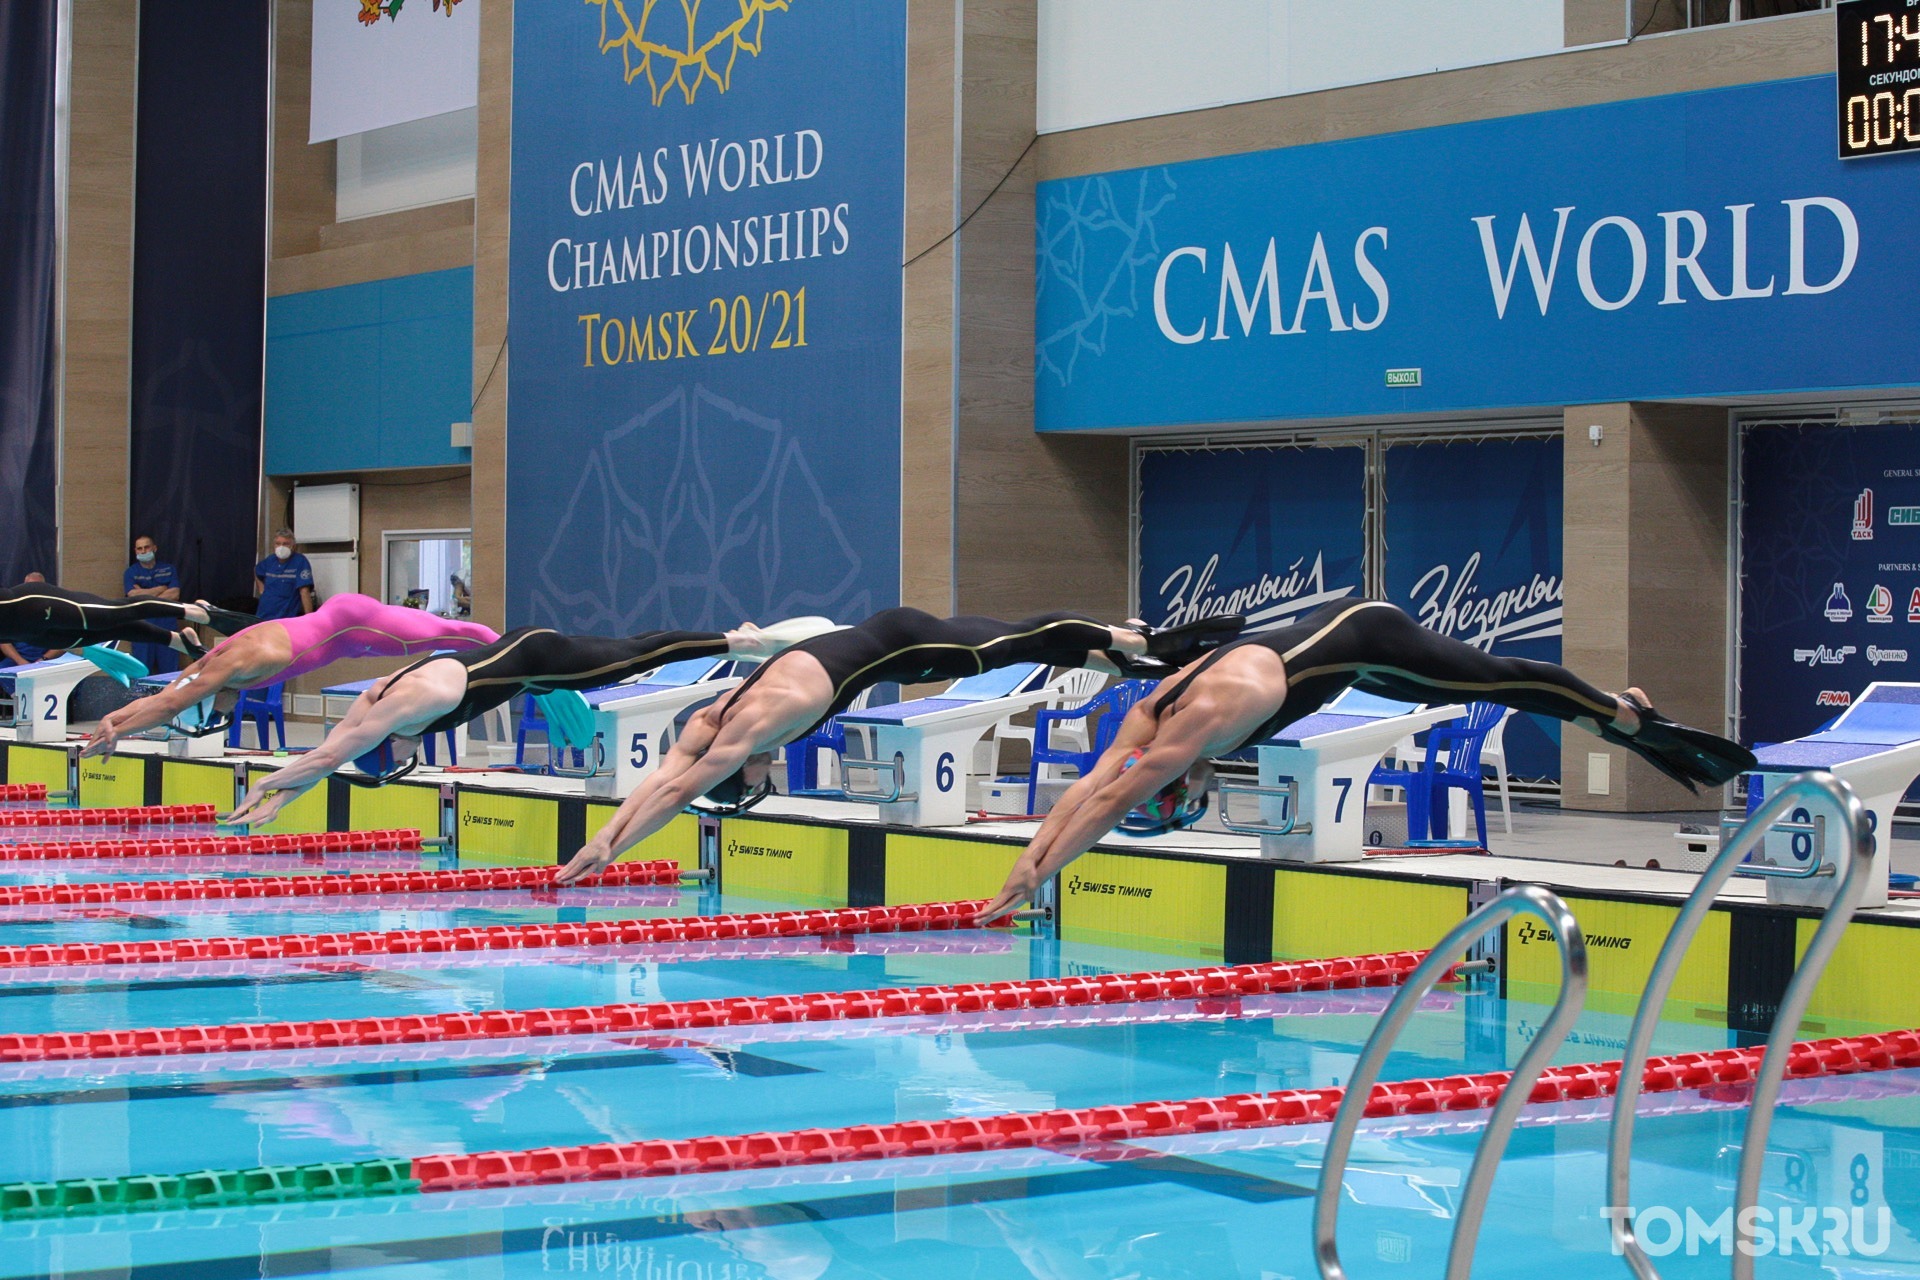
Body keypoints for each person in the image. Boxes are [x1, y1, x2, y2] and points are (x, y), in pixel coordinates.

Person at [973, 599, 1758, 921]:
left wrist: (1038, 875)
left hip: (1369, 638)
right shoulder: (1146, 714)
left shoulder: (1191, 727)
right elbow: (1088, 788)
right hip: (1334, 652)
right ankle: (1619, 710)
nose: (1183, 799)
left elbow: (1108, 803)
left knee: (1514, 680)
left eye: (1176, 805)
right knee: (1514, 681)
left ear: (1176, 780)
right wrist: (1030, 855)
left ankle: (1628, 715)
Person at [553, 607, 1245, 885]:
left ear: (742, 768)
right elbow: (664, 777)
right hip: (870, 646)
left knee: (1027, 641)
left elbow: (676, 789)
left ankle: (1143, 642)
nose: (767, 767)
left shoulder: (745, 731)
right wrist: (607, 836)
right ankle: (1140, 657)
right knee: (1030, 644)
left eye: (751, 772)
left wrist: (611, 847)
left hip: (902, 646)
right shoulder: (704, 724)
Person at [221, 616, 844, 827]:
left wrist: (270, 784)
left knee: (644, 650)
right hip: (529, 669)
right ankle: (737, 641)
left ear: (392, 745)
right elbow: (331, 754)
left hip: (540, 659)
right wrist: (283, 797)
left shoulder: (402, 708)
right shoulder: (373, 713)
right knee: (640, 648)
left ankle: (742, 640)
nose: (416, 748)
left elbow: (329, 757)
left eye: (403, 752)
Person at [82, 592, 504, 758]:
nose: (220, 717)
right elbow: (167, 697)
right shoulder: (210, 667)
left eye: (212, 715)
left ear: (212, 699)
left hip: (355, 624)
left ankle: (525, 658)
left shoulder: (229, 667)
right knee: (456, 637)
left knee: (461, 634)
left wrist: (123, 732)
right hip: (341, 634)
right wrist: (116, 721)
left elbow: (173, 702)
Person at [0, 579, 250, 655]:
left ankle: (196, 611)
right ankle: (177, 641)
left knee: (110, 615)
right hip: (35, 634)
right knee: (110, 631)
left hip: (31, 606)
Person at [123, 534, 182, 675]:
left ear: (154, 548)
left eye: (146, 547)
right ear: (135, 551)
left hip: (167, 626)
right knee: (141, 672)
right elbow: (133, 595)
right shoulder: (131, 572)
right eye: (139, 548)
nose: (143, 551)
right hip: (142, 628)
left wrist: (144, 593)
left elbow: (175, 594)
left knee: (170, 673)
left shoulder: (169, 569)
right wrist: (161, 589)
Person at [0, 573, 64, 667]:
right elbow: (4, 642)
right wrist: (20, 661)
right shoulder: (12, 609)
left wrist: (43, 659)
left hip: (49, 659)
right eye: (30, 587)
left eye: (37, 587)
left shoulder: (57, 610)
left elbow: (64, 642)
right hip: (18, 659)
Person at [254, 529, 314, 620]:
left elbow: (304, 592)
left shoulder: (300, 561)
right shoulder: (270, 560)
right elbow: (256, 570)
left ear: (293, 546)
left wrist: (310, 619)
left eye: (285, 544)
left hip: (285, 617)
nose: (281, 547)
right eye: (278, 543)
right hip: (263, 614)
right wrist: (262, 590)